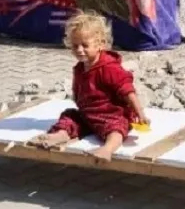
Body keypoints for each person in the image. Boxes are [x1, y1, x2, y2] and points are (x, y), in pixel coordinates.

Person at [30, 12, 149, 161]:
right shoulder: (80, 68)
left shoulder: (109, 67)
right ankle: (60, 135)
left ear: (100, 44)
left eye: (85, 45)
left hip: (111, 115)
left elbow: (128, 90)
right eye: (75, 46)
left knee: (117, 127)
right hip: (88, 116)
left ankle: (107, 149)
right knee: (69, 116)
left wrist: (140, 113)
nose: (79, 50)